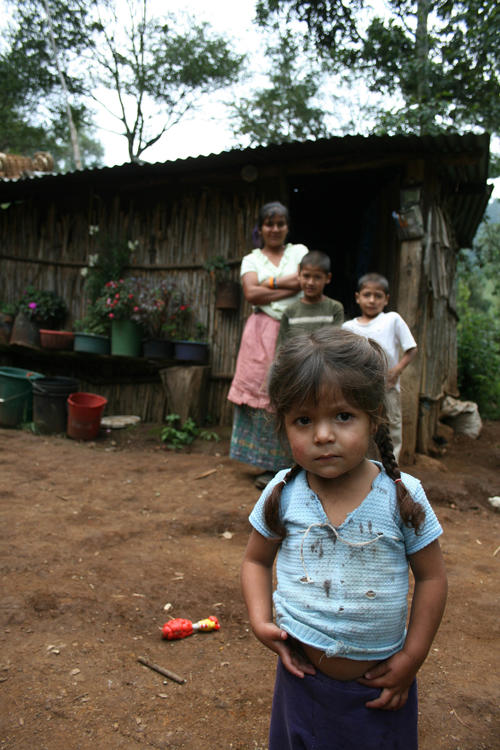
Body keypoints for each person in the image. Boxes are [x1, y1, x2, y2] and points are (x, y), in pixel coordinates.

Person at [241, 328, 447, 750]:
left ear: (374, 417)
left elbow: (432, 579)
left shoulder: (401, 495)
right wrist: (261, 621)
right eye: (303, 420)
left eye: (342, 416)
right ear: (282, 425)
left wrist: (412, 659)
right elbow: (256, 561)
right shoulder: (284, 493)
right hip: (300, 683)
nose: (322, 435)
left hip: (381, 691)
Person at [227, 201, 308, 489]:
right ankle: (266, 467)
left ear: (287, 227)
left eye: (280, 223)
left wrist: (267, 285)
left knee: (292, 391)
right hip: (261, 332)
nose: (275, 229)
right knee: (261, 393)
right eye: (269, 224)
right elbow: (250, 293)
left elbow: (305, 281)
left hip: (296, 329)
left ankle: (296, 462)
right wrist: (287, 284)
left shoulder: (299, 252)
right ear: (260, 228)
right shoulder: (251, 259)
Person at [342, 272, 417, 461]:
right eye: (367, 295)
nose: (372, 300)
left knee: (392, 423)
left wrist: (396, 371)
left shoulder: (392, 319)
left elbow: (411, 349)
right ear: (358, 297)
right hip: (360, 387)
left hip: (388, 386)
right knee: (362, 423)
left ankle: (393, 466)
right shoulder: (348, 327)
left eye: (378, 296)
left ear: (386, 299)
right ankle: (363, 463)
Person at [276, 250, 344, 349]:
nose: (311, 282)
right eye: (306, 276)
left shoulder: (334, 308)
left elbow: (336, 344)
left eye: (317, 277)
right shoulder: (290, 311)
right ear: (299, 275)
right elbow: (281, 348)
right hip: (297, 363)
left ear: (328, 278)